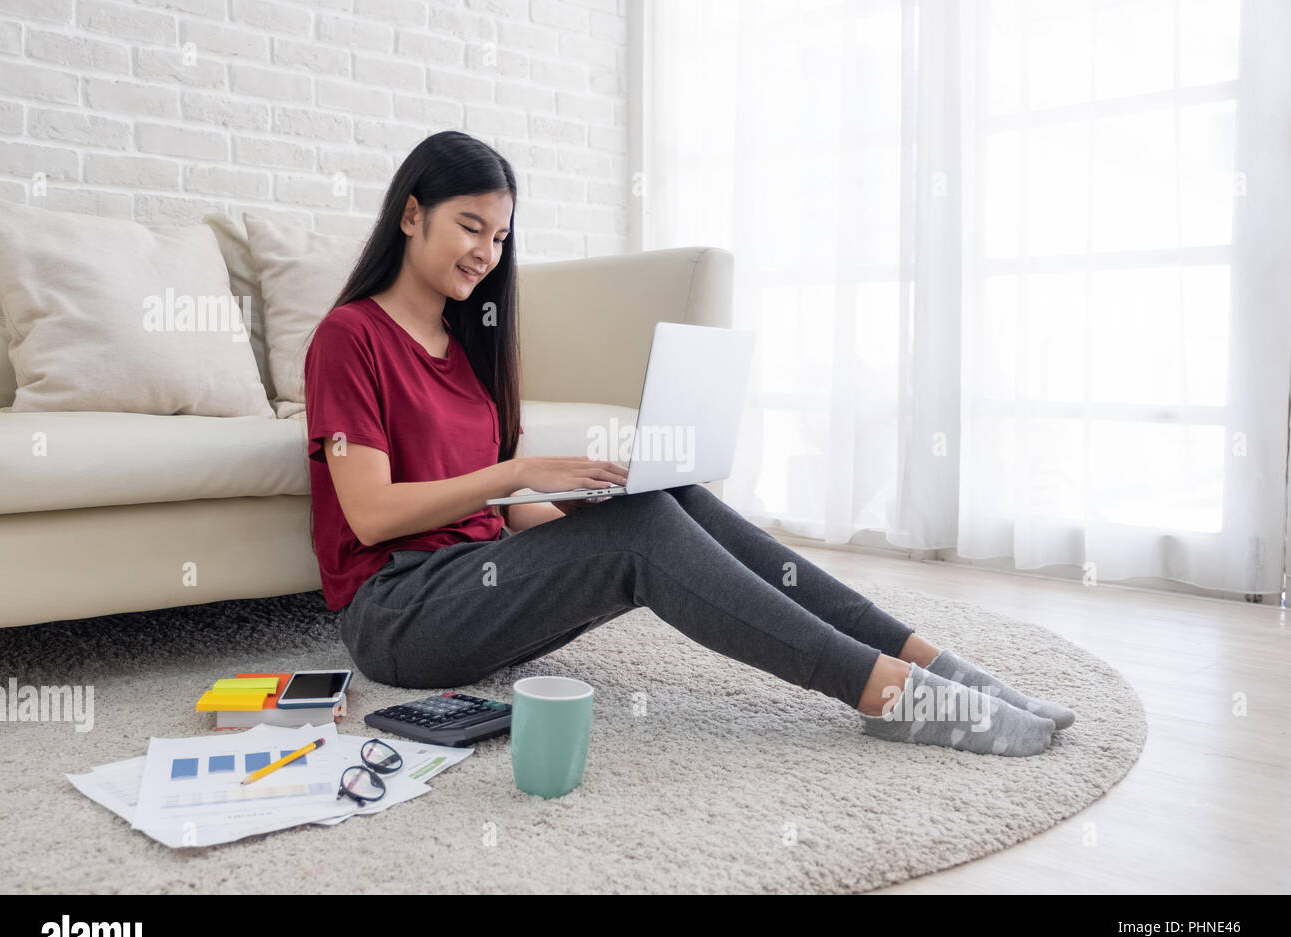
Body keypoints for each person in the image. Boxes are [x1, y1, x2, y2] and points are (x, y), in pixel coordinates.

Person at [303, 131, 1074, 758]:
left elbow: (503, 522)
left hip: (476, 581)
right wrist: (518, 471)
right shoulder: (350, 339)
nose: (486, 251)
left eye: (500, 236)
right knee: (643, 533)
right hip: (399, 614)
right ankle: (887, 692)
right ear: (412, 215)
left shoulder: (470, 344)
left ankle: (932, 662)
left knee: (664, 500)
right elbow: (369, 515)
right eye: (470, 226)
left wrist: (586, 509)